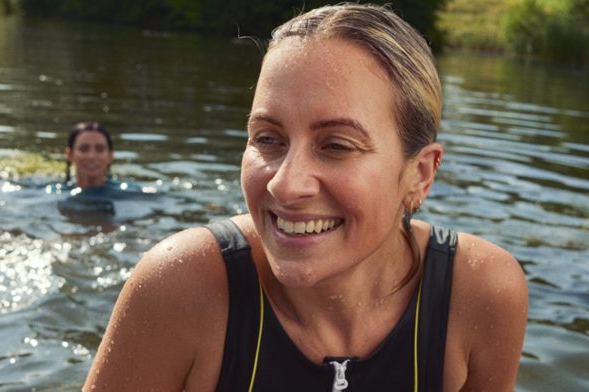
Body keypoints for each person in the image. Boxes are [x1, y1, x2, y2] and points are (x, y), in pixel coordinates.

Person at [86, 4, 528, 391]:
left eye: (337, 145)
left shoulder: (478, 294)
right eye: (268, 138)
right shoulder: (183, 289)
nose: (284, 184)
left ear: (420, 174)